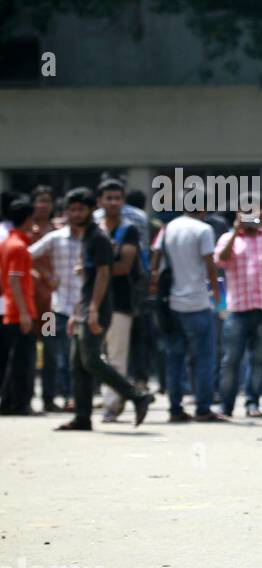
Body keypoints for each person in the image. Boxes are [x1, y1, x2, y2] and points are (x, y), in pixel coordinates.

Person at [57, 187, 153, 431]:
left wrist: (92, 309)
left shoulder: (97, 238)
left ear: (90, 210)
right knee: (77, 365)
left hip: (99, 307)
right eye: (72, 209)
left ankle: (136, 395)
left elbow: (103, 274)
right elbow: (87, 279)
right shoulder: (87, 237)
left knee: (91, 361)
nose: (76, 213)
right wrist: (77, 310)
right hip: (86, 306)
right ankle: (82, 417)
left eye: (81, 209)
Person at [214, 193, 262, 417]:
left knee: (259, 360)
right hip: (238, 310)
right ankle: (226, 406)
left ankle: (252, 403)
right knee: (231, 360)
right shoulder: (229, 238)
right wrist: (235, 230)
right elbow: (220, 259)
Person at [151, 191, 222, 422]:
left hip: (172, 303)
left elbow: (155, 261)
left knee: (175, 358)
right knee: (204, 357)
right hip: (198, 303)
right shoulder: (203, 230)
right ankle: (202, 408)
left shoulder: (168, 228)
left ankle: (175, 408)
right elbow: (210, 266)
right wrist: (215, 294)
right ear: (204, 209)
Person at [96, 179, 144, 423]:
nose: (113, 202)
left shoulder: (129, 230)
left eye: (117, 198)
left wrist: (92, 268)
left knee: (116, 356)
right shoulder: (93, 228)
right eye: (108, 197)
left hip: (119, 302)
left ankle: (112, 405)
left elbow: (124, 266)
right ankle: (121, 395)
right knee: (93, 356)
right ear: (100, 201)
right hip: (90, 302)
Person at [28, 198, 82, 412]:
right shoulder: (54, 238)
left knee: (73, 355)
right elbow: (27, 255)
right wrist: (46, 275)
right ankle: (49, 398)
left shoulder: (89, 239)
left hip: (78, 309)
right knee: (50, 354)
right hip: (52, 308)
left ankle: (71, 397)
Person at [1, 198, 38, 415]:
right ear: (27, 219)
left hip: (11, 308)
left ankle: (8, 402)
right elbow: (14, 279)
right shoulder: (18, 246)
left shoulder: (7, 243)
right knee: (23, 362)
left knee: (13, 361)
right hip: (19, 311)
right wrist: (24, 313)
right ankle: (20, 404)